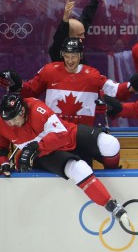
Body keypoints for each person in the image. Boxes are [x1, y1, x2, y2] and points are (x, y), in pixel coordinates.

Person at [0, 93, 128, 223]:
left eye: (15, 119)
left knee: (110, 144)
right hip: (44, 155)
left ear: (22, 110)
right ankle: (111, 205)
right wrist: (3, 161)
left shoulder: (37, 109)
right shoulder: (4, 121)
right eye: (8, 121)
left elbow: (62, 135)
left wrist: (38, 147)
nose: (12, 124)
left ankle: (114, 177)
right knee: (79, 168)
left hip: (62, 136)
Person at [0, 37, 138, 127]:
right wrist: (16, 84)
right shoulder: (49, 71)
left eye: (74, 56)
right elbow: (31, 90)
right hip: (54, 132)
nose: (70, 61)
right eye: (67, 56)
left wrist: (133, 85)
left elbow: (115, 90)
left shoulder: (92, 75)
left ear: (80, 55)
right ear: (62, 55)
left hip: (83, 135)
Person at [48, 0, 108, 64]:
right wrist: (65, 21)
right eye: (80, 34)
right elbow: (58, 39)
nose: (83, 37)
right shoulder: (57, 52)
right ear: (70, 34)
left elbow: (87, 16)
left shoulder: (83, 65)